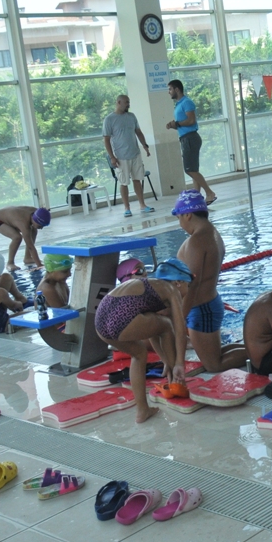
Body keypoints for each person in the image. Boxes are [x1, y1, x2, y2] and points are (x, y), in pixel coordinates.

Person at [94, 258, 191, 423]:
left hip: (100, 323)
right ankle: (176, 380)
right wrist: (179, 364)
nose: (187, 291)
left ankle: (143, 411)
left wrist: (165, 360)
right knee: (167, 325)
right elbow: (180, 330)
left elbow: (152, 331)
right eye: (188, 285)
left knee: (139, 354)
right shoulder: (170, 289)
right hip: (120, 318)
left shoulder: (150, 289)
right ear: (179, 283)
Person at [174, 190, 247, 372]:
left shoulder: (197, 241)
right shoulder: (212, 233)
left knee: (214, 364)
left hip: (201, 309)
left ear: (188, 215)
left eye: (179, 217)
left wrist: (180, 318)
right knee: (216, 354)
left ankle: (264, 348)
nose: (180, 223)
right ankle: (259, 346)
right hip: (207, 305)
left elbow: (192, 285)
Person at [103, 95, 154, 218]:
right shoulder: (109, 119)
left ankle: (142, 205)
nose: (128, 104)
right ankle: (127, 208)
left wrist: (145, 145)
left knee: (137, 179)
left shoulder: (131, 116)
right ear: (118, 102)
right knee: (124, 182)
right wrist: (112, 157)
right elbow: (106, 140)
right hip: (121, 156)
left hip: (135, 154)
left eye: (129, 102)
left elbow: (138, 132)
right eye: (126, 102)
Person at [166, 80, 216, 205]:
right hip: (186, 138)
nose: (169, 92)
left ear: (177, 89)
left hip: (190, 138)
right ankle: (197, 198)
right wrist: (174, 125)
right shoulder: (178, 104)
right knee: (193, 170)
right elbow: (184, 124)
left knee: (189, 170)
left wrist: (177, 124)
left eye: (170, 89)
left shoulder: (186, 102)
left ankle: (209, 193)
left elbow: (191, 121)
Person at [0, 206, 51, 271]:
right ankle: (10, 263)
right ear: (34, 219)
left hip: (11, 216)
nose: (41, 228)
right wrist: (39, 265)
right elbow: (30, 247)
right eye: (40, 226)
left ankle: (28, 258)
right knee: (17, 237)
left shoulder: (38, 212)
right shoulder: (23, 223)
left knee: (34, 230)